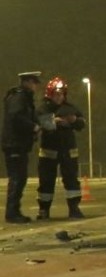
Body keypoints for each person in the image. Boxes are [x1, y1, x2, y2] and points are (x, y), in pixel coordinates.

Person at [35, 77, 87, 220]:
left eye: (61, 94)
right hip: (48, 151)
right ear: (50, 94)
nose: (59, 97)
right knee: (46, 181)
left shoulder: (71, 108)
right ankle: (44, 210)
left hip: (68, 151)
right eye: (56, 94)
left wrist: (75, 120)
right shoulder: (42, 109)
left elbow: (82, 123)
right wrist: (54, 122)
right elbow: (39, 123)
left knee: (71, 180)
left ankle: (74, 208)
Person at [2, 71, 42, 223]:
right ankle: (12, 212)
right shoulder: (20, 97)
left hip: (17, 144)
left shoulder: (20, 97)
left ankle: (14, 210)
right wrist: (33, 127)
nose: (35, 86)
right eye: (34, 83)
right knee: (17, 178)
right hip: (15, 144)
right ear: (27, 82)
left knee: (20, 177)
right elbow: (16, 117)